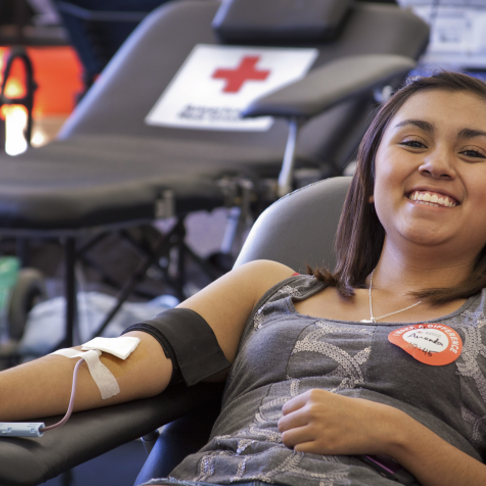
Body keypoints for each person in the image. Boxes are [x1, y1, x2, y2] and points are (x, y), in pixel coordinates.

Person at [1, 71, 486, 486]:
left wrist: (398, 434)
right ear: (369, 177)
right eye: (413, 142)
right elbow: (107, 366)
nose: (436, 164)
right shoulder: (267, 288)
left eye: (474, 153)